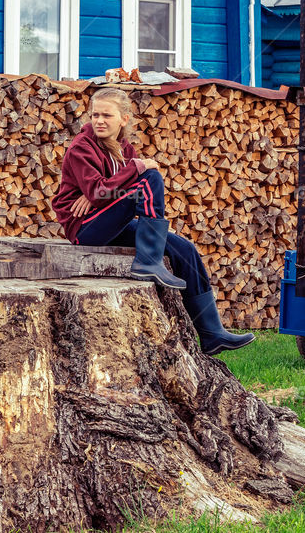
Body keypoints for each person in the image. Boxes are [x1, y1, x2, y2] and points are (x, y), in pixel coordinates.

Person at [51, 87, 255, 356]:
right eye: (95, 115)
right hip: (85, 228)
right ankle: (149, 262)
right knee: (151, 176)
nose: (99, 121)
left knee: (184, 249)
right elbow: (103, 190)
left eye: (107, 115)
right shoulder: (82, 147)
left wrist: (103, 191)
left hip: (110, 221)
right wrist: (124, 176)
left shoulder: (125, 148)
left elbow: (105, 191)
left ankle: (211, 333)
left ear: (124, 119)